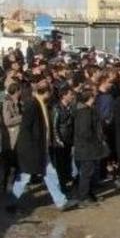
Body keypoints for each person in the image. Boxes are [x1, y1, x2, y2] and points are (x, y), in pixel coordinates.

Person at [8, 80, 78, 212]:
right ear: (47, 92)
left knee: (50, 174)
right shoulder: (32, 105)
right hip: (32, 149)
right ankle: (12, 202)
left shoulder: (40, 104)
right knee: (24, 176)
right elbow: (26, 130)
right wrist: (31, 149)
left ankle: (61, 202)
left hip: (41, 148)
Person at [73, 90, 109, 207]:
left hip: (88, 147)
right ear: (90, 98)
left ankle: (89, 194)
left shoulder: (87, 111)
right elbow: (85, 131)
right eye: (93, 96)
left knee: (90, 171)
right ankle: (84, 197)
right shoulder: (84, 112)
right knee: (86, 173)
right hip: (86, 147)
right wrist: (96, 140)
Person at [51, 86, 76, 191]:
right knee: (61, 164)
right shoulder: (57, 108)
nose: (72, 96)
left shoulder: (70, 107)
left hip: (69, 139)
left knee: (67, 162)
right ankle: (62, 184)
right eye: (70, 94)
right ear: (64, 95)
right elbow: (54, 126)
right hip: (60, 141)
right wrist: (58, 140)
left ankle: (67, 181)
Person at [1, 82, 23, 199]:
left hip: (17, 138)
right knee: (11, 167)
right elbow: (7, 121)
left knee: (14, 166)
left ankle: (12, 189)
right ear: (16, 91)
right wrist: (21, 117)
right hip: (10, 139)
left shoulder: (18, 102)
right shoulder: (7, 103)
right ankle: (8, 190)